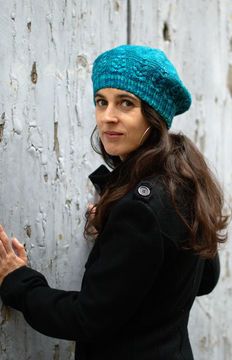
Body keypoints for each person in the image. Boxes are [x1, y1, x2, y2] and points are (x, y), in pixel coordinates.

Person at [0, 45, 229, 360]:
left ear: (153, 113)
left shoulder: (140, 209)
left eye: (126, 103)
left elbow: (86, 318)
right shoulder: (183, 182)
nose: (108, 117)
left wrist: (17, 280)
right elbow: (203, 279)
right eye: (101, 101)